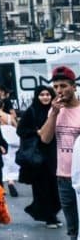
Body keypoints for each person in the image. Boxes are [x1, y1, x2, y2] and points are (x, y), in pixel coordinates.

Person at [39, 65, 80, 239]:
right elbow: (45, 139)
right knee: (72, 228)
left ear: (74, 87)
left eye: (63, 86)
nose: (59, 91)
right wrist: (54, 113)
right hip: (63, 176)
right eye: (55, 87)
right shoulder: (55, 110)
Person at [19, 84, 62, 227]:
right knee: (43, 188)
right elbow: (21, 131)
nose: (45, 97)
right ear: (37, 97)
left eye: (48, 94)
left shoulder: (55, 111)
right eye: (42, 95)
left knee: (55, 187)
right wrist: (35, 133)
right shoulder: (31, 112)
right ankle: (50, 217)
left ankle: (52, 214)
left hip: (54, 154)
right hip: (38, 157)